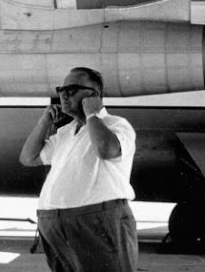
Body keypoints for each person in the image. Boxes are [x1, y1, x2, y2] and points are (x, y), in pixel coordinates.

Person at [20, 67, 138, 271]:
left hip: (96, 220)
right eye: (61, 89)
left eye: (72, 89)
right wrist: (43, 123)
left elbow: (107, 149)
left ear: (94, 94)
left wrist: (92, 113)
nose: (64, 95)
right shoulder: (65, 132)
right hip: (56, 224)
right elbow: (28, 158)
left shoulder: (116, 125)